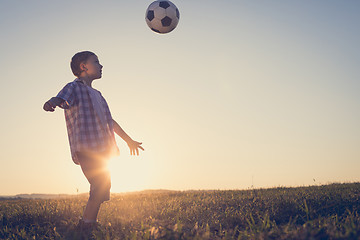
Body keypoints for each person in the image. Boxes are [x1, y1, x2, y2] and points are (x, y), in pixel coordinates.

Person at [43, 51, 144, 228]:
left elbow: (109, 121)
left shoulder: (98, 94)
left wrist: (128, 140)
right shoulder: (74, 87)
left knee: (102, 188)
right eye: (96, 62)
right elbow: (61, 97)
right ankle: (86, 226)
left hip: (104, 150)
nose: (101, 65)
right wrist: (51, 102)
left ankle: (90, 222)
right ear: (84, 66)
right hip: (86, 147)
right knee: (98, 185)